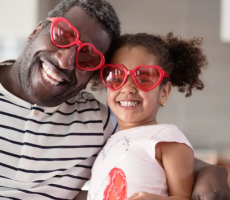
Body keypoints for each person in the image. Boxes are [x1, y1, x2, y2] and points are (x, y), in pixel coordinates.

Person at [0, 0, 230, 200]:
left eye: (88, 56)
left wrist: (210, 172)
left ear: (96, 74)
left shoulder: (98, 122)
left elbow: (151, 148)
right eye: (63, 35)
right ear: (37, 30)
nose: (66, 60)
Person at [87, 32, 207, 200]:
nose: (128, 88)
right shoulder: (108, 141)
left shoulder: (167, 139)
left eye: (143, 78)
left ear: (164, 93)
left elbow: (184, 197)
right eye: (116, 76)